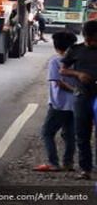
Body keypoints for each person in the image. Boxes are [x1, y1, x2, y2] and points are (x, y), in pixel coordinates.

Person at [34, 31, 79, 172]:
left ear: (56, 45)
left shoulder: (55, 60)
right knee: (69, 134)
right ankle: (68, 162)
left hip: (59, 104)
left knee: (47, 132)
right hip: (75, 104)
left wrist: (73, 90)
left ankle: (53, 163)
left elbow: (58, 83)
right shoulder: (78, 61)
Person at [60, 21, 97, 179]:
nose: (89, 42)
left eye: (93, 38)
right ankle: (85, 169)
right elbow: (63, 70)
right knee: (82, 134)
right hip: (82, 96)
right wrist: (78, 74)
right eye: (87, 38)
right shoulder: (76, 50)